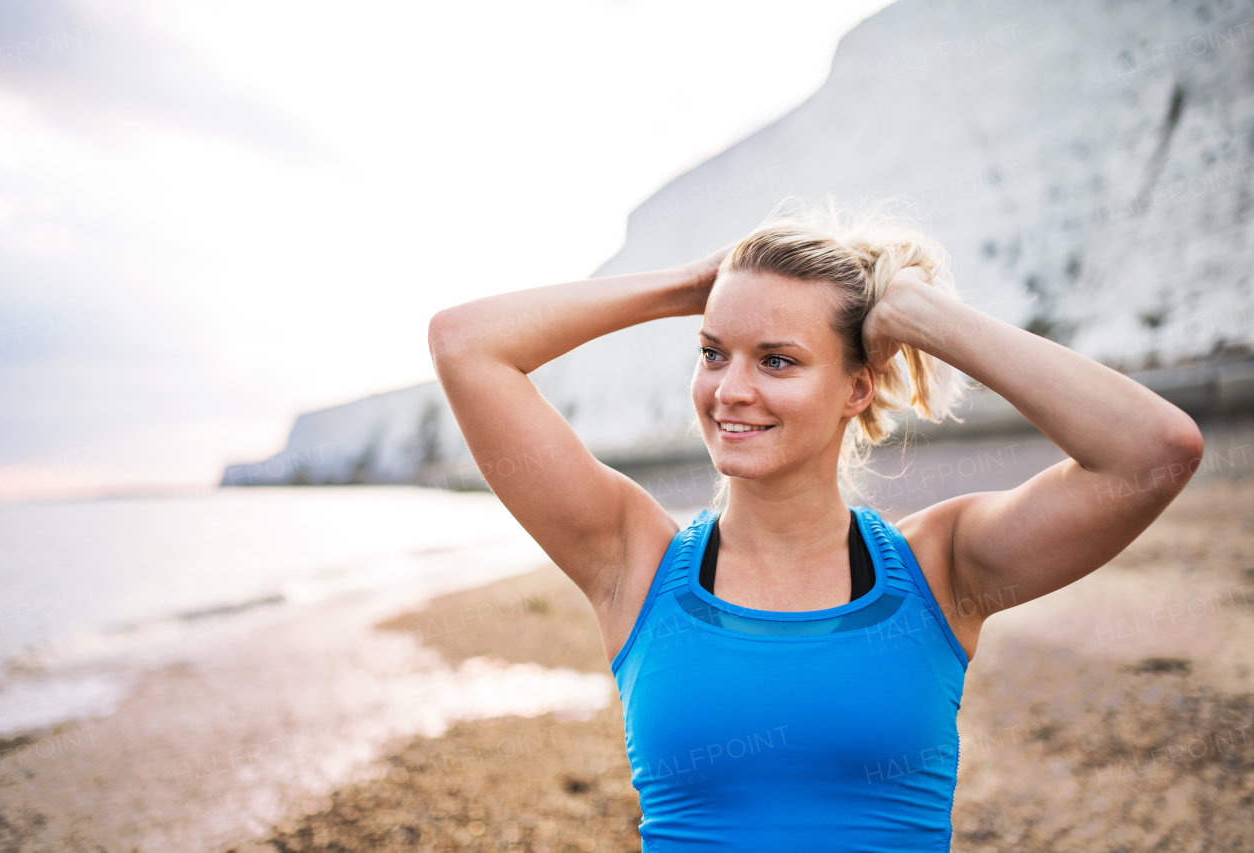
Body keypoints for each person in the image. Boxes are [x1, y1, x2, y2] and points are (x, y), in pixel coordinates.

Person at [427, 202, 1204, 851]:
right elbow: (466, 345)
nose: (730, 390)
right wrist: (696, 284)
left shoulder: (941, 569)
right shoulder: (635, 560)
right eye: (712, 351)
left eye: (776, 361)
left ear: (857, 387)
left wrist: (926, 317)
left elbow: (1154, 452)